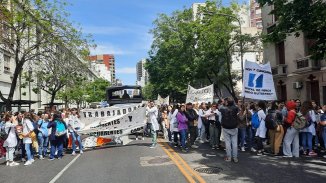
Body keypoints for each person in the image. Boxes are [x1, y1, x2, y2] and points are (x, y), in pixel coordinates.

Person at [220, 98, 239, 163]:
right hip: (234, 127)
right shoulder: (235, 108)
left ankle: (229, 157)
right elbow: (236, 107)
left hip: (226, 127)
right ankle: (235, 158)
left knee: (227, 143)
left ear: (227, 102)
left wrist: (223, 103)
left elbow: (220, 107)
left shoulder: (223, 108)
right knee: (234, 143)